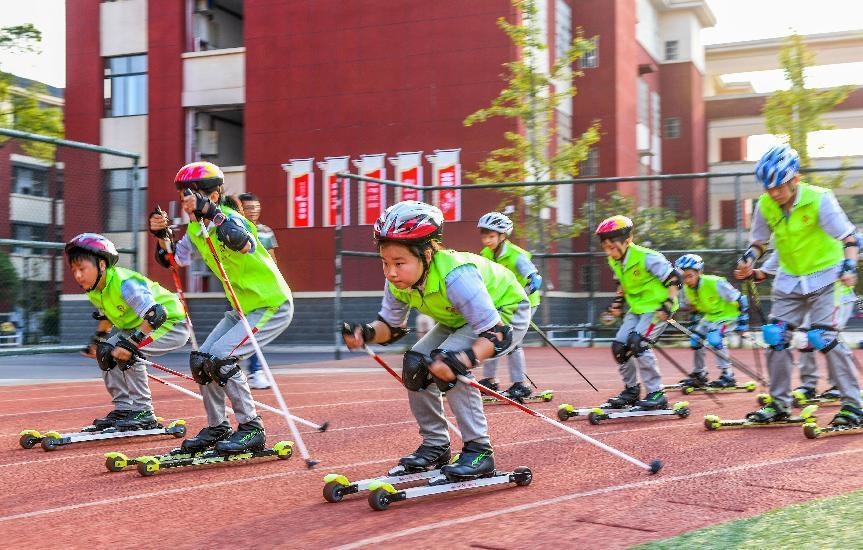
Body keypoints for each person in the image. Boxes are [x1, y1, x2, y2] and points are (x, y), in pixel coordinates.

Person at [343, 200, 531, 481]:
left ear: (427, 255)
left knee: (447, 362)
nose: (391, 272)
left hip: (505, 316)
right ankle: (436, 446)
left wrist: (461, 360)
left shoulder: (457, 276)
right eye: (385, 262)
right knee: (416, 363)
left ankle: (479, 451)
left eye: (399, 263)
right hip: (460, 319)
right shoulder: (398, 281)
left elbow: (496, 334)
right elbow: (391, 328)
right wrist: (366, 332)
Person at [148, 161, 294, 453]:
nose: (183, 201)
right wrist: (161, 237)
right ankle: (218, 426)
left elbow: (243, 244)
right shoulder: (194, 229)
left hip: (270, 304)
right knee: (201, 359)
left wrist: (212, 214)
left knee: (221, 358)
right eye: (181, 195)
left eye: (189, 194)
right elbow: (174, 260)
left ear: (212, 195)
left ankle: (252, 427)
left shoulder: (228, 217)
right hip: (242, 308)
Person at [734, 144, 863, 426]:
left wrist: (849, 266)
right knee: (775, 337)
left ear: (795, 178)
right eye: (768, 188)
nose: (774, 193)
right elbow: (759, 242)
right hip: (790, 281)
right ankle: (779, 404)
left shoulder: (820, 199)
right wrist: (748, 259)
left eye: (779, 186)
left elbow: (850, 238)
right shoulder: (766, 205)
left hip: (828, 278)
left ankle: (855, 405)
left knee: (824, 338)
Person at [66, 233, 190, 430]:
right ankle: (124, 408)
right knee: (105, 351)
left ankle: (143, 411)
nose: (78, 275)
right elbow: (107, 315)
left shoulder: (126, 284)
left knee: (129, 352)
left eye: (82, 269)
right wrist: (97, 340)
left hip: (171, 324)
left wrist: (132, 344)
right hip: (138, 326)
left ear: (101, 265)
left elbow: (156, 314)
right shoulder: (94, 288)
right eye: (74, 270)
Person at [757, 241, 859, 402]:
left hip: (838, 292)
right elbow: (786, 250)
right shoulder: (796, 229)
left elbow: (854, 241)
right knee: (803, 339)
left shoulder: (834, 226)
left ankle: (840, 386)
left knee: (824, 338)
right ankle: (808, 385)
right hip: (806, 291)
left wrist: (849, 266)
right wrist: (763, 271)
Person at [598, 215, 680, 410]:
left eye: (612, 247)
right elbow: (622, 284)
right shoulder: (614, 260)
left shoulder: (647, 257)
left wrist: (668, 304)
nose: (609, 252)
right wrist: (617, 303)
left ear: (627, 240)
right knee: (619, 347)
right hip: (636, 309)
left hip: (656, 308)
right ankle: (632, 391)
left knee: (639, 343)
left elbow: (675, 278)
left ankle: (656, 393)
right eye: (605, 248)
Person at [476, 211, 542, 399]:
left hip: (525, 304)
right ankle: (489, 380)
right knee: (490, 337)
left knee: (512, 343)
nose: (487, 240)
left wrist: (521, 295)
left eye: (491, 236)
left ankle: (521, 384)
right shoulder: (486, 254)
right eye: (484, 236)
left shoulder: (517, 256)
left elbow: (536, 280)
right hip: (501, 305)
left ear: (503, 236)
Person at [674, 253, 749, 388]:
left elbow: (741, 299)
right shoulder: (687, 288)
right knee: (695, 339)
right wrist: (694, 321)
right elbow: (695, 308)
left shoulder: (715, 282)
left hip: (729, 316)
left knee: (715, 338)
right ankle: (699, 374)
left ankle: (728, 375)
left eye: (690, 276)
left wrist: (743, 323)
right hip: (711, 317)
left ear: (699, 272)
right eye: (683, 277)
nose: (687, 281)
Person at [238, 192, 279, 390]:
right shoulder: (234, 229)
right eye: (248, 208)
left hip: (262, 290)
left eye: (256, 207)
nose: (253, 211)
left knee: (256, 330)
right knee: (241, 331)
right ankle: (243, 370)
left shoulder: (266, 231)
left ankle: (254, 371)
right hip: (240, 288)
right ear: (240, 209)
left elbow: (272, 258)